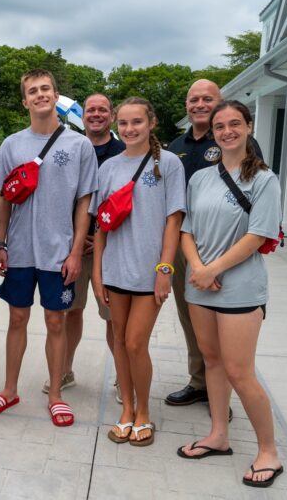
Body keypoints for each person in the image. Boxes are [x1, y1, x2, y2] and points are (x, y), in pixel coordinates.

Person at [0, 69, 97, 427]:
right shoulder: (13, 144)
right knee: (17, 318)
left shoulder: (79, 145)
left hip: (58, 251)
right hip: (19, 249)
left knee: (55, 321)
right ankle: (10, 389)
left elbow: (84, 203)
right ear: (25, 100)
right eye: (32, 91)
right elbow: (3, 199)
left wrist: (76, 251)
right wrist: (0, 244)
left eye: (45, 89)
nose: (40, 95)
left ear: (55, 94)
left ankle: (57, 395)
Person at [177, 100, 283, 487]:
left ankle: (268, 451)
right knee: (212, 362)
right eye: (220, 126)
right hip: (200, 285)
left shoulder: (264, 180)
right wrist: (198, 270)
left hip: (239, 288)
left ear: (249, 126)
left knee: (240, 371)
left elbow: (259, 235)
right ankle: (218, 435)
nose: (227, 131)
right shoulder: (200, 178)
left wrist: (213, 270)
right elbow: (186, 230)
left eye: (235, 124)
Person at [90, 97, 185, 446]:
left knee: (134, 343)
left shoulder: (169, 164)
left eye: (137, 122)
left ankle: (144, 411)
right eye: (124, 123)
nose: (130, 129)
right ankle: (126, 410)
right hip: (115, 270)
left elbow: (174, 220)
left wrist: (165, 268)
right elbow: (101, 226)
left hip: (148, 273)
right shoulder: (109, 168)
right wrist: (97, 274)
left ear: (152, 123)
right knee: (118, 343)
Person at [166, 80, 262, 420]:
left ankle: (223, 392)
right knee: (191, 318)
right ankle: (199, 382)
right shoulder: (175, 145)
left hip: (229, 247)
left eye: (208, 98)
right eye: (194, 99)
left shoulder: (235, 142)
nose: (200, 104)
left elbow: (255, 202)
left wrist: (216, 266)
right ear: (187, 105)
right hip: (185, 244)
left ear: (221, 102)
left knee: (228, 325)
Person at [43, 93, 125, 400]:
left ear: (111, 116)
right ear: (82, 115)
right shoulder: (69, 147)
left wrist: (100, 237)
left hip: (110, 248)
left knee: (113, 317)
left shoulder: (124, 151)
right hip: (72, 247)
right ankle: (64, 370)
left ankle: (123, 377)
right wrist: (76, 240)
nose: (96, 115)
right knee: (68, 312)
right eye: (91, 110)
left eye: (103, 110)